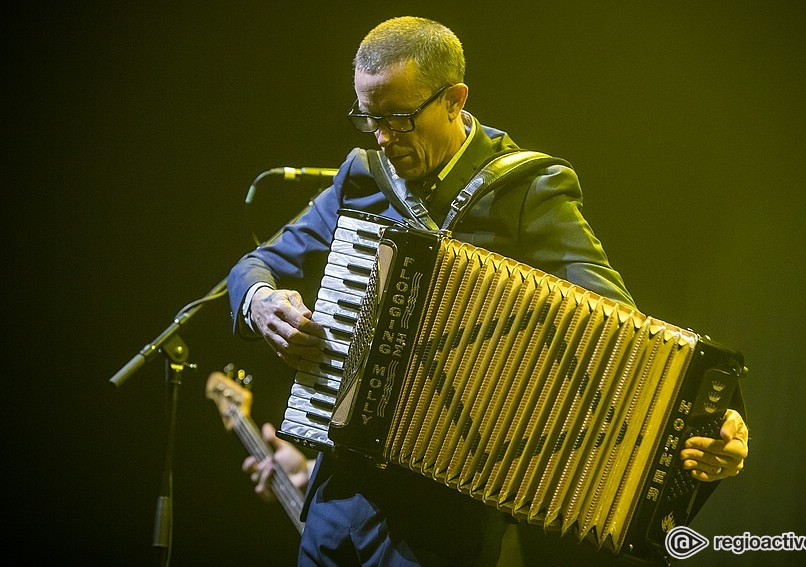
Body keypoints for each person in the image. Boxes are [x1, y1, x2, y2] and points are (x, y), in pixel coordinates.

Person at [229, 16, 749, 566]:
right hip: (337, 500)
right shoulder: (363, 176)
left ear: (454, 99)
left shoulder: (526, 190)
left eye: (400, 119)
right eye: (369, 118)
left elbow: (626, 329)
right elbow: (255, 265)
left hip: (446, 523)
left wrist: (710, 419)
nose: (383, 138)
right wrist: (262, 303)